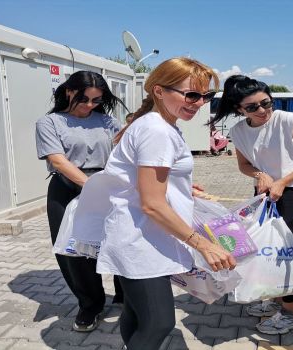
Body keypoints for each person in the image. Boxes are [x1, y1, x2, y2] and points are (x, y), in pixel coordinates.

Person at [73, 57, 236, 350]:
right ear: (159, 91)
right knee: (159, 322)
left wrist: (182, 187)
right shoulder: (157, 130)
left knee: (136, 313)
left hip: (139, 235)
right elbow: (152, 204)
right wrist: (204, 245)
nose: (199, 103)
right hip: (142, 240)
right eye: (191, 94)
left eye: (205, 96)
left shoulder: (158, 123)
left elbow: (144, 181)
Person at [210, 75, 293, 334]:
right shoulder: (239, 131)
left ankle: (292, 312)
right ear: (239, 109)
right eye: (252, 107)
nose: (263, 110)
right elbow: (244, 165)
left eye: (266, 102)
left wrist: (283, 181)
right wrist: (259, 175)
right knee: (269, 249)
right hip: (266, 195)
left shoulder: (289, 121)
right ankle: (278, 301)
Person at [35, 71, 124, 332]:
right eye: (84, 99)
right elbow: (59, 161)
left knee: (118, 239)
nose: (89, 105)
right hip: (67, 187)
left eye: (96, 100)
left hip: (107, 185)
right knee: (72, 251)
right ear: (69, 92)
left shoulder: (107, 121)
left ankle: (125, 294)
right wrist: (90, 186)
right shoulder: (49, 122)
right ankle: (90, 304)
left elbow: (127, 149)